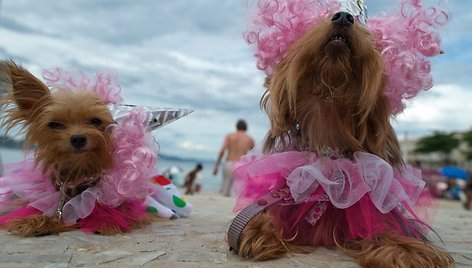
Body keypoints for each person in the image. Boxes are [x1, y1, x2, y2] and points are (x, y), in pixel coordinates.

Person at [213, 119, 255, 197]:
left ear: (236, 126)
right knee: (239, 191)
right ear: (246, 127)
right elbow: (254, 154)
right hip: (241, 165)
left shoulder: (229, 136)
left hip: (229, 163)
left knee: (226, 189)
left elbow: (222, 151)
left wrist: (216, 166)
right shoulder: (249, 139)